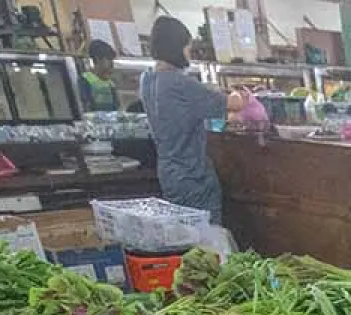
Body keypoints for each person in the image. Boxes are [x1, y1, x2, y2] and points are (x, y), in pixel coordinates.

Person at [140, 15, 239, 221]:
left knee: (182, 231)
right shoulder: (178, 83)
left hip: (168, 172)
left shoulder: (147, 79)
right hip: (192, 176)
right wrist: (242, 95)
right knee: (205, 232)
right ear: (176, 47)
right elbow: (233, 104)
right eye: (187, 47)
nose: (189, 53)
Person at [79, 39, 118, 112]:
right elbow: (85, 107)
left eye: (112, 60)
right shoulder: (85, 80)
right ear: (97, 59)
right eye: (108, 59)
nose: (112, 64)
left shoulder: (111, 84)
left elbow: (116, 108)